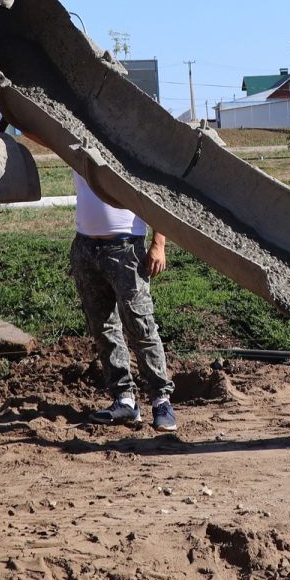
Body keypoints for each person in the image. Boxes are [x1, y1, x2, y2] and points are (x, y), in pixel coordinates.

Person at [69, 172, 176, 429]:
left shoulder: (125, 144)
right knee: (103, 326)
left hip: (127, 247)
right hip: (85, 247)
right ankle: (124, 400)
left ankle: (161, 401)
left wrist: (159, 243)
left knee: (140, 325)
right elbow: (44, 137)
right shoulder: (76, 143)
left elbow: (158, 191)